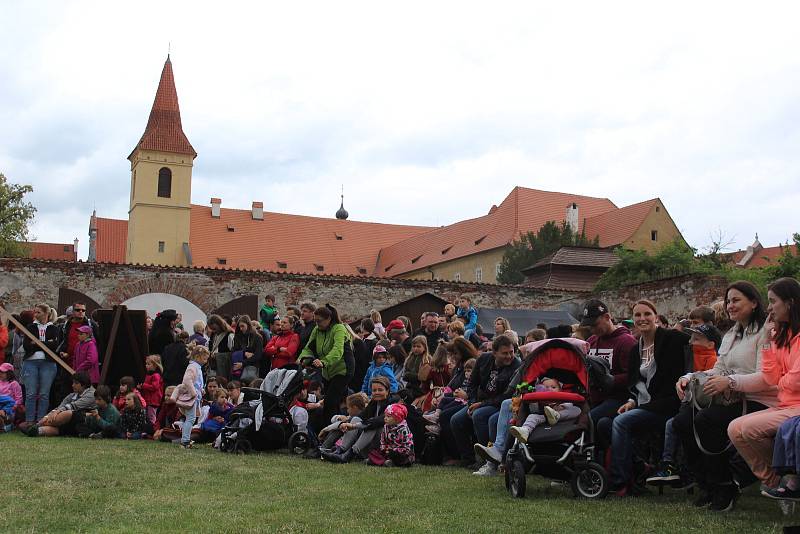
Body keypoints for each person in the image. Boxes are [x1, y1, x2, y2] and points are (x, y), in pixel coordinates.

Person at [671, 281, 773, 511]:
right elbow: (718, 368)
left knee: (705, 420)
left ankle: (725, 485)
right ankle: (707, 483)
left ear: (755, 302)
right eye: (728, 301)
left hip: (761, 400)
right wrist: (690, 377)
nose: (730, 305)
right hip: (733, 398)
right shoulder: (732, 335)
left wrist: (729, 381)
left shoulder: (765, 332)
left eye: (736, 300)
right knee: (682, 422)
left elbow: (765, 377)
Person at [598, 300, 689, 496]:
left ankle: (619, 483)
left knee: (621, 422)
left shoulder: (671, 338)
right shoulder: (635, 349)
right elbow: (635, 384)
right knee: (604, 423)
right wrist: (631, 401)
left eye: (647, 314)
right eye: (637, 315)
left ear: (656, 317)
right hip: (645, 406)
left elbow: (697, 341)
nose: (642, 319)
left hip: (667, 405)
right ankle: (639, 468)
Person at [729, 277, 800, 500]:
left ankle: (790, 481)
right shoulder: (782, 335)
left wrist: (781, 381)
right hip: (786, 404)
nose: (769, 308)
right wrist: (768, 340)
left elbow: (795, 380)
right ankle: (775, 481)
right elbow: (771, 375)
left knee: (749, 428)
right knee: (735, 429)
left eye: (773, 301)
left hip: (795, 407)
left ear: (789, 303)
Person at [450, 334, 520, 471]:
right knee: (455, 420)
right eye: (504, 353)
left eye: (511, 352)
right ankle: (467, 459)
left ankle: (487, 459)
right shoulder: (483, 359)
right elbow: (472, 385)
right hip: (480, 400)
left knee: (479, 415)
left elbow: (507, 395)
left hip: (499, 404)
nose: (509, 356)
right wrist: (472, 403)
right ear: (494, 353)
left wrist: (481, 405)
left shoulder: (516, 365)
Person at [579, 299, 638, 426]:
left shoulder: (627, 342)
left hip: (618, 398)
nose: (592, 329)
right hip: (593, 397)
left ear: (607, 317)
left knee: (588, 421)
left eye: (595, 325)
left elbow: (635, 375)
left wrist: (611, 380)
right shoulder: (591, 341)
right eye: (589, 326)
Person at [320, 376, 397, 463]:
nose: (377, 392)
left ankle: (349, 454)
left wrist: (352, 426)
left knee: (372, 425)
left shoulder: (393, 404)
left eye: (380, 390)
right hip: (370, 442)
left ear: (387, 391)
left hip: (386, 444)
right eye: (374, 390)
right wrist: (330, 427)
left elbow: (380, 421)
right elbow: (360, 417)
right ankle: (340, 451)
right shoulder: (374, 402)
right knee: (356, 419)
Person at [298, 304, 352, 428]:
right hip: (327, 371)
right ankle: (339, 429)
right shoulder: (317, 330)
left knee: (330, 402)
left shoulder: (339, 328)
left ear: (329, 319)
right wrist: (301, 359)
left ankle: (327, 431)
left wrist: (324, 361)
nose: (317, 324)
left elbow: (338, 350)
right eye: (315, 321)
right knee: (335, 401)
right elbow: (309, 347)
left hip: (343, 369)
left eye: (319, 321)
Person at [508, 377, 582, 443]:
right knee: (532, 416)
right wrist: (535, 402)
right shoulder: (539, 399)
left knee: (577, 409)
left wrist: (562, 406)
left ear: (560, 390)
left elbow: (570, 405)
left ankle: (557, 415)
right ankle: (525, 430)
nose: (549, 389)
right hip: (544, 418)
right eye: (546, 387)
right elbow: (534, 410)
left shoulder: (563, 398)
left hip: (562, 418)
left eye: (553, 387)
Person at [22, 304, 61, 426]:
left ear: (46, 314)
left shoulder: (54, 329)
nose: (35, 314)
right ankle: (29, 420)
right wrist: (45, 343)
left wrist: (37, 342)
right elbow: (27, 345)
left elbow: (55, 345)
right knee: (31, 393)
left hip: (48, 363)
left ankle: (40, 421)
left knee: (44, 393)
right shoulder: (30, 327)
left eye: (38, 312)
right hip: (31, 362)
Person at [25, 372, 96, 437]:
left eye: (75, 383)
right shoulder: (72, 395)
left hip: (86, 422)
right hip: (72, 423)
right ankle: (37, 430)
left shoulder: (92, 394)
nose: (72, 385)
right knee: (58, 428)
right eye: (72, 383)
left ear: (83, 384)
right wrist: (47, 416)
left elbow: (74, 406)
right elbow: (59, 407)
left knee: (67, 413)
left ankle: (36, 425)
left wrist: (56, 412)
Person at [175, 344, 210, 448]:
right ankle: (185, 441)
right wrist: (194, 392)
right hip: (191, 397)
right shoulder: (193, 367)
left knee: (191, 418)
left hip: (194, 396)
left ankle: (186, 439)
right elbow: (187, 380)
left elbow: (195, 381)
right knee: (190, 418)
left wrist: (201, 390)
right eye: (204, 358)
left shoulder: (195, 367)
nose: (205, 361)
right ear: (198, 357)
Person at [367, 403, 415, 467]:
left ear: (397, 418)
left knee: (397, 456)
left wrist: (393, 450)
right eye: (385, 416)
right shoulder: (386, 427)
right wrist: (384, 448)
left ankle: (379, 461)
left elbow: (406, 446)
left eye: (388, 416)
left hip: (401, 452)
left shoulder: (403, 429)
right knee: (374, 451)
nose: (385, 418)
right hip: (388, 450)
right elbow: (383, 440)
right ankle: (384, 462)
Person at [232, 315, 264, 382]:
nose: (241, 329)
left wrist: (243, 363)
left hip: (251, 367)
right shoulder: (238, 337)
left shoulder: (257, 337)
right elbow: (233, 351)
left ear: (248, 325)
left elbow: (258, 355)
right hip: (238, 368)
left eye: (242, 326)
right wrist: (244, 353)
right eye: (239, 327)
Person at [206, 314, 233, 381]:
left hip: (224, 368)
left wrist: (218, 356)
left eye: (215, 329)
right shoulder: (213, 335)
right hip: (214, 366)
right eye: (212, 329)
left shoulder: (229, 335)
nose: (214, 331)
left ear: (220, 325)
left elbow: (233, 352)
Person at [140, 355, 165, 426]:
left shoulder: (156, 375)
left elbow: (155, 387)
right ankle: (149, 429)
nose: (146, 366)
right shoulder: (149, 375)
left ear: (155, 365)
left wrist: (144, 385)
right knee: (148, 416)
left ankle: (153, 429)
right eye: (146, 364)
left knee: (152, 416)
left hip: (153, 400)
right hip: (148, 399)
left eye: (148, 364)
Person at [0, 362, 22, 427]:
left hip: (10, 408)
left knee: (10, 400)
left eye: (3, 372)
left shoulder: (14, 383)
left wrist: (13, 407)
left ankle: (5, 418)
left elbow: (19, 399)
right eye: (0, 372)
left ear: (9, 373)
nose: (0, 374)